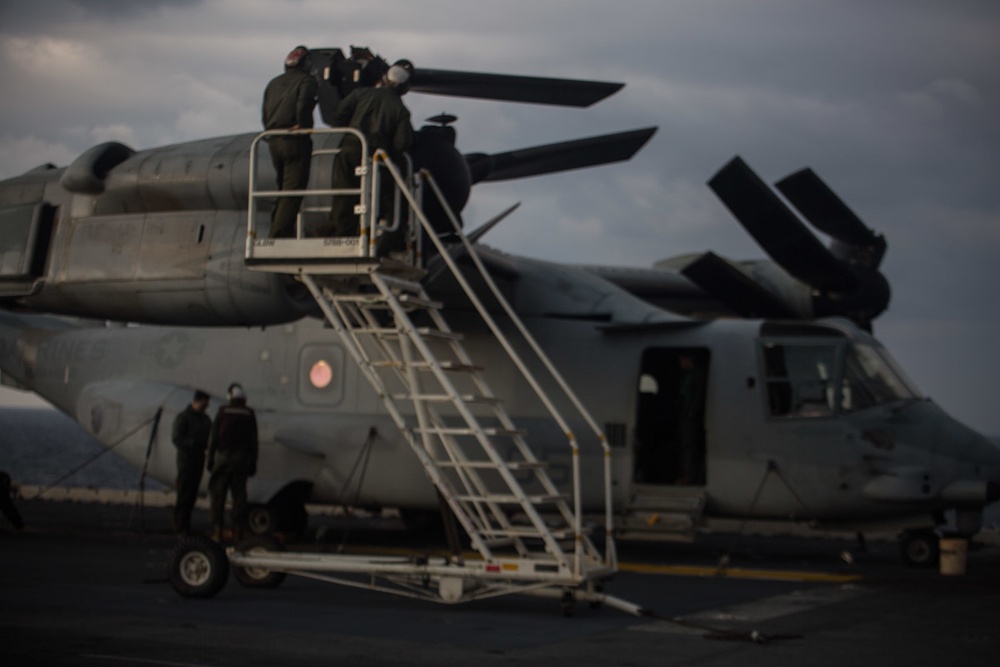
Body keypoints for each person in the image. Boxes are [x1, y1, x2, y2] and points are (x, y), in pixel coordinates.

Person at [328, 58, 414, 254]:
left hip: (350, 148)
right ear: (404, 88)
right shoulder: (400, 110)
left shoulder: (361, 94)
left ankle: (342, 234)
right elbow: (402, 143)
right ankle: (371, 233)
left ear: (385, 78)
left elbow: (339, 114)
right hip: (375, 158)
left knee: (344, 192)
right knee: (375, 196)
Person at [261, 45, 318, 238]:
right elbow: (304, 105)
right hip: (294, 140)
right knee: (293, 190)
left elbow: (265, 113)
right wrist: (303, 125)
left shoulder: (273, 83)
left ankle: (277, 228)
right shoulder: (307, 81)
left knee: (282, 187)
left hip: (273, 140)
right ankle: (280, 234)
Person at [207, 383, 259, 542]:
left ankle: (217, 530)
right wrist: (253, 463)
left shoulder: (223, 411)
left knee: (218, 495)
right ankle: (238, 531)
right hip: (242, 460)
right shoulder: (249, 414)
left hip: (223, 458)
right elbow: (254, 442)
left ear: (230, 397)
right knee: (239, 496)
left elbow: (214, 437)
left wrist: (210, 459)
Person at [170, 389, 211, 536]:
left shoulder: (205, 420)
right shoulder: (184, 418)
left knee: (192, 494)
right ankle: (179, 525)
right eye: (204, 404)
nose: (205, 407)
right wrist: (192, 443)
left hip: (198, 460)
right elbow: (176, 438)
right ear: (197, 401)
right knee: (184, 493)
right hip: (186, 460)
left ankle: (184, 524)